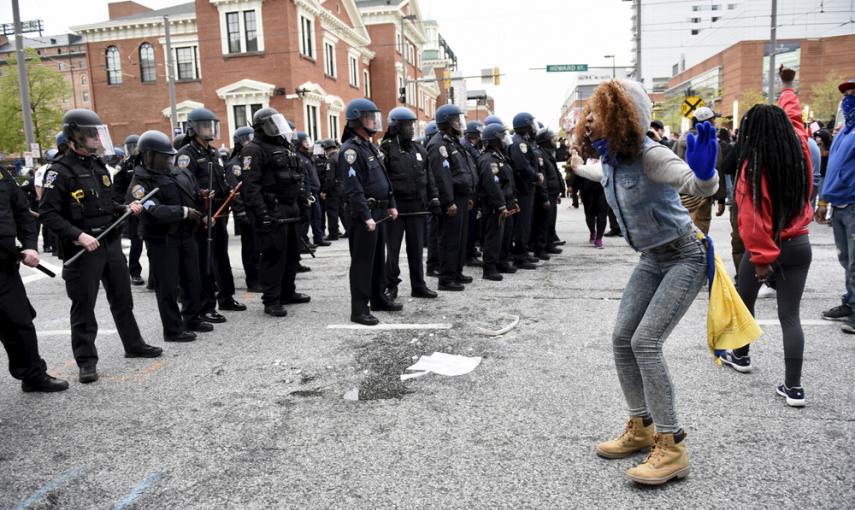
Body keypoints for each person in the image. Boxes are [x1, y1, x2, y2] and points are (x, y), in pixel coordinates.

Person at [570, 80, 719, 485]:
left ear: (623, 116)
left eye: (598, 113)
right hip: (652, 258)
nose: (590, 120)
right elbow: (597, 173)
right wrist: (576, 164)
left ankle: (671, 446)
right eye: (591, 113)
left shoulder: (652, 156)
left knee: (645, 342)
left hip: (685, 256)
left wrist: (706, 172)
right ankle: (642, 427)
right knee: (622, 338)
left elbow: (697, 185)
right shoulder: (614, 161)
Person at [38, 109, 162, 383]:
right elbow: (48, 213)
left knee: (122, 299)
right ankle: (86, 361)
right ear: (75, 137)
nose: (97, 137)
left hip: (109, 242)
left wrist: (124, 207)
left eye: (97, 132)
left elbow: (104, 203)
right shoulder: (58, 171)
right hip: (83, 249)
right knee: (84, 307)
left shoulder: (97, 165)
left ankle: (134, 345)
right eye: (91, 133)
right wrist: (77, 235)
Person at [717, 66, 814, 408]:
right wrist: (787, 88)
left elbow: (753, 220)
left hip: (768, 246)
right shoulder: (800, 147)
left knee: (746, 301)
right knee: (791, 316)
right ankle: (794, 389)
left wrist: (761, 261)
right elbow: (795, 119)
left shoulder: (753, 165)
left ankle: (740, 355)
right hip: (800, 243)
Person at [129, 130, 212, 342]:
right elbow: (152, 211)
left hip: (186, 235)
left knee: (192, 279)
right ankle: (173, 330)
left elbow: (190, 194)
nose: (166, 160)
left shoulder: (176, 173)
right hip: (163, 239)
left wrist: (200, 196)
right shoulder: (140, 182)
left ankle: (192, 318)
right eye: (162, 156)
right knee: (167, 286)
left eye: (168, 156)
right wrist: (183, 212)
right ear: (149, 155)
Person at [0, 164, 69, 392]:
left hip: (5, 266)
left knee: (19, 322)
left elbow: (21, 212)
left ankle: (32, 375)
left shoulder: (2, 174)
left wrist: (30, 246)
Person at [175, 108, 246, 322]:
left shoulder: (213, 153)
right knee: (204, 261)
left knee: (221, 257)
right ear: (193, 128)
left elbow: (221, 181)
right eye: (205, 125)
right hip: (203, 215)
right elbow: (184, 186)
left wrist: (232, 199)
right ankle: (206, 306)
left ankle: (226, 297)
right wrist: (201, 211)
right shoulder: (187, 154)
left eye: (211, 125)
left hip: (219, 212)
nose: (210, 129)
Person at [240, 107, 312, 318]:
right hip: (273, 208)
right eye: (271, 124)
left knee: (291, 253)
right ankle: (271, 300)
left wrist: (302, 201)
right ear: (261, 127)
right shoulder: (253, 150)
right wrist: (262, 213)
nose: (276, 127)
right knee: (274, 255)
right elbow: (251, 186)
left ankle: (288, 292)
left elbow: (295, 176)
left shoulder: (284, 146)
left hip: (291, 207)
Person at [339, 98, 400, 325]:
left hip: (380, 211)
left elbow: (384, 178)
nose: (374, 120)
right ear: (356, 120)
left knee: (377, 261)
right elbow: (354, 189)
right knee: (363, 264)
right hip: (364, 215)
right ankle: (359, 309)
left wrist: (391, 203)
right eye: (368, 117)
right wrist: (366, 216)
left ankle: (378, 298)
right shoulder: (350, 151)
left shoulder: (369, 146)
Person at [380, 107, 440, 300]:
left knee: (416, 250)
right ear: (396, 126)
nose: (412, 129)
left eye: (412, 125)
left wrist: (434, 198)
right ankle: (391, 286)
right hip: (396, 209)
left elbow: (429, 177)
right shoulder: (386, 149)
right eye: (407, 125)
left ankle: (419, 285)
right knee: (394, 252)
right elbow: (383, 180)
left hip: (417, 207)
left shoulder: (419, 149)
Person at [817, 78, 855, 330]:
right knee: (846, 260)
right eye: (847, 94)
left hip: (852, 205)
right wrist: (822, 201)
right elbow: (831, 169)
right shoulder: (844, 132)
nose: (848, 98)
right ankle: (850, 302)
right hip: (840, 205)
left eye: (853, 94)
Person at [427, 104, 477, 291]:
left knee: (460, 239)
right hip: (452, 199)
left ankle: (456, 272)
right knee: (449, 240)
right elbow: (442, 176)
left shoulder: (453, 142)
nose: (460, 124)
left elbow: (462, 171)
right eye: (456, 120)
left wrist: (469, 194)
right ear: (447, 122)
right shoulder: (438, 144)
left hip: (462, 197)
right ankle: (446, 278)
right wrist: (448, 201)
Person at [676, 107, 728, 234]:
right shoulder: (711, 143)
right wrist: (721, 198)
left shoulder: (679, 141)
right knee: (700, 234)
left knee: (682, 232)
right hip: (703, 194)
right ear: (707, 121)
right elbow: (718, 169)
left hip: (681, 194)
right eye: (713, 120)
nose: (715, 123)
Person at [477, 123, 517, 280]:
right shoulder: (489, 160)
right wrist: (500, 205)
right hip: (494, 205)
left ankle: (502, 261)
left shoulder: (500, 157)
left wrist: (512, 200)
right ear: (494, 140)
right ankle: (489, 268)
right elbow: (492, 185)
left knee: (505, 234)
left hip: (505, 202)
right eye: (502, 136)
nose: (505, 139)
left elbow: (507, 182)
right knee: (493, 236)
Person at [226, 126, 260, 292]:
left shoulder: (250, 160)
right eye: (247, 138)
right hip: (246, 210)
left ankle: (260, 276)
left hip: (256, 208)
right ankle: (252, 281)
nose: (250, 141)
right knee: (250, 247)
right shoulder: (234, 164)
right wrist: (240, 212)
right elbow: (235, 191)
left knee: (259, 246)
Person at [508, 112, 542, 270]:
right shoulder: (519, 143)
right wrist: (536, 176)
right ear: (525, 125)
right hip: (522, 189)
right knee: (522, 224)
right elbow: (522, 165)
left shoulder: (524, 141)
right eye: (531, 124)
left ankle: (524, 252)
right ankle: (520, 257)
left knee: (526, 223)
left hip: (527, 188)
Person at [113, 134, 146, 286]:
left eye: (136, 146)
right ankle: (135, 272)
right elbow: (117, 190)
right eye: (131, 147)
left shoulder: (146, 163)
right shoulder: (123, 166)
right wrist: (126, 204)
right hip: (131, 209)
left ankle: (155, 276)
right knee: (136, 243)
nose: (134, 150)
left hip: (148, 206)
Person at [534, 127, 565, 255]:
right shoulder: (540, 155)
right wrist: (545, 197)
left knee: (550, 222)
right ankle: (540, 249)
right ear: (546, 141)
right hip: (546, 195)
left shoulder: (548, 154)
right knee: (543, 223)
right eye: (552, 139)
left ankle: (549, 244)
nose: (554, 141)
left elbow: (555, 174)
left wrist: (559, 191)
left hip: (552, 194)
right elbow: (542, 179)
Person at [295, 132, 327, 249]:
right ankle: (304, 243)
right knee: (306, 219)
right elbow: (304, 178)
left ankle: (318, 238)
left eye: (307, 140)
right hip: (309, 192)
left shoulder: (307, 156)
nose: (307, 143)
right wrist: (307, 193)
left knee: (317, 216)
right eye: (304, 141)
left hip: (315, 191)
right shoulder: (299, 157)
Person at [461, 120, 484, 267]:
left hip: (474, 189)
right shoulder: (465, 146)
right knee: (469, 226)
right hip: (469, 191)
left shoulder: (471, 146)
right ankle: (468, 255)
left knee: (472, 225)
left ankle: (470, 252)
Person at [318, 139, 345, 241]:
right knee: (342, 210)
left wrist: (324, 191)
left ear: (327, 149)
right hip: (343, 187)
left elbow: (329, 178)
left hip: (334, 189)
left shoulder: (331, 160)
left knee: (332, 212)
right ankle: (348, 229)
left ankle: (333, 234)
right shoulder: (341, 157)